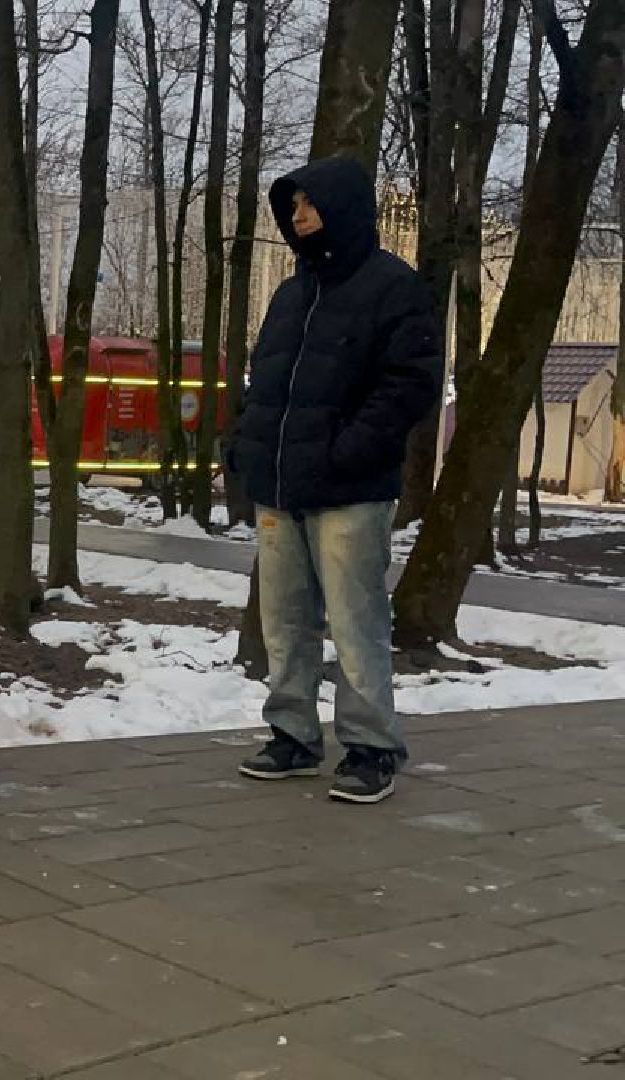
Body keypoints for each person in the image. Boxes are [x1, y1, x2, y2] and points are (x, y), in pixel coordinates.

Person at [226, 155, 442, 804]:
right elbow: (265, 382)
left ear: (343, 208)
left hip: (351, 489)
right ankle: (292, 736)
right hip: (281, 485)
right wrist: (243, 448)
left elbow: (410, 385)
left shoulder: (392, 287)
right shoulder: (292, 294)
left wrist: (348, 452)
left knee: (356, 623)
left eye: (309, 204)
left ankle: (372, 747)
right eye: (291, 208)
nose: (298, 216)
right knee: (285, 623)